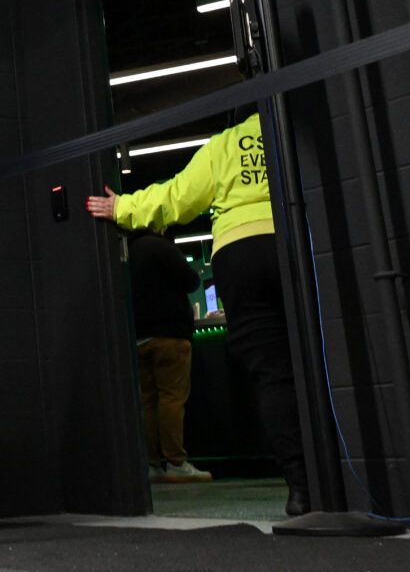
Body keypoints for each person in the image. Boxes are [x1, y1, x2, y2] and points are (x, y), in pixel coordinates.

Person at [85, 112, 308, 516]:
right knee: (323, 361)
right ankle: (344, 474)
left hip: (238, 253)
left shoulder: (225, 144)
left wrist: (122, 207)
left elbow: (177, 196)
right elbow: (190, 278)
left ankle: (302, 489)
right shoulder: (298, 126)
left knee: (273, 376)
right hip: (296, 238)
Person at [125, 232, 211, 483]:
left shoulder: (126, 249)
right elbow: (191, 280)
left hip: (139, 336)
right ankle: (175, 461)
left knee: (147, 401)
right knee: (171, 398)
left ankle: (152, 465)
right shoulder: (161, 247)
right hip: (170, 334)